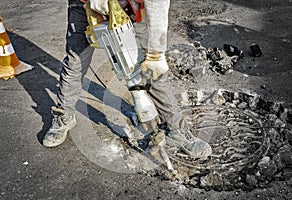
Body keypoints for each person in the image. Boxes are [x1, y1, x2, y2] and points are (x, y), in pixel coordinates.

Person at [42, 0, 212, 159]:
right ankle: (64, 115)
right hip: (84, 3)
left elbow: (158, 6)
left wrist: (155, 53)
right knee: (75, 62)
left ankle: (176, 130)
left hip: (130, 6)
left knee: (153, 69)